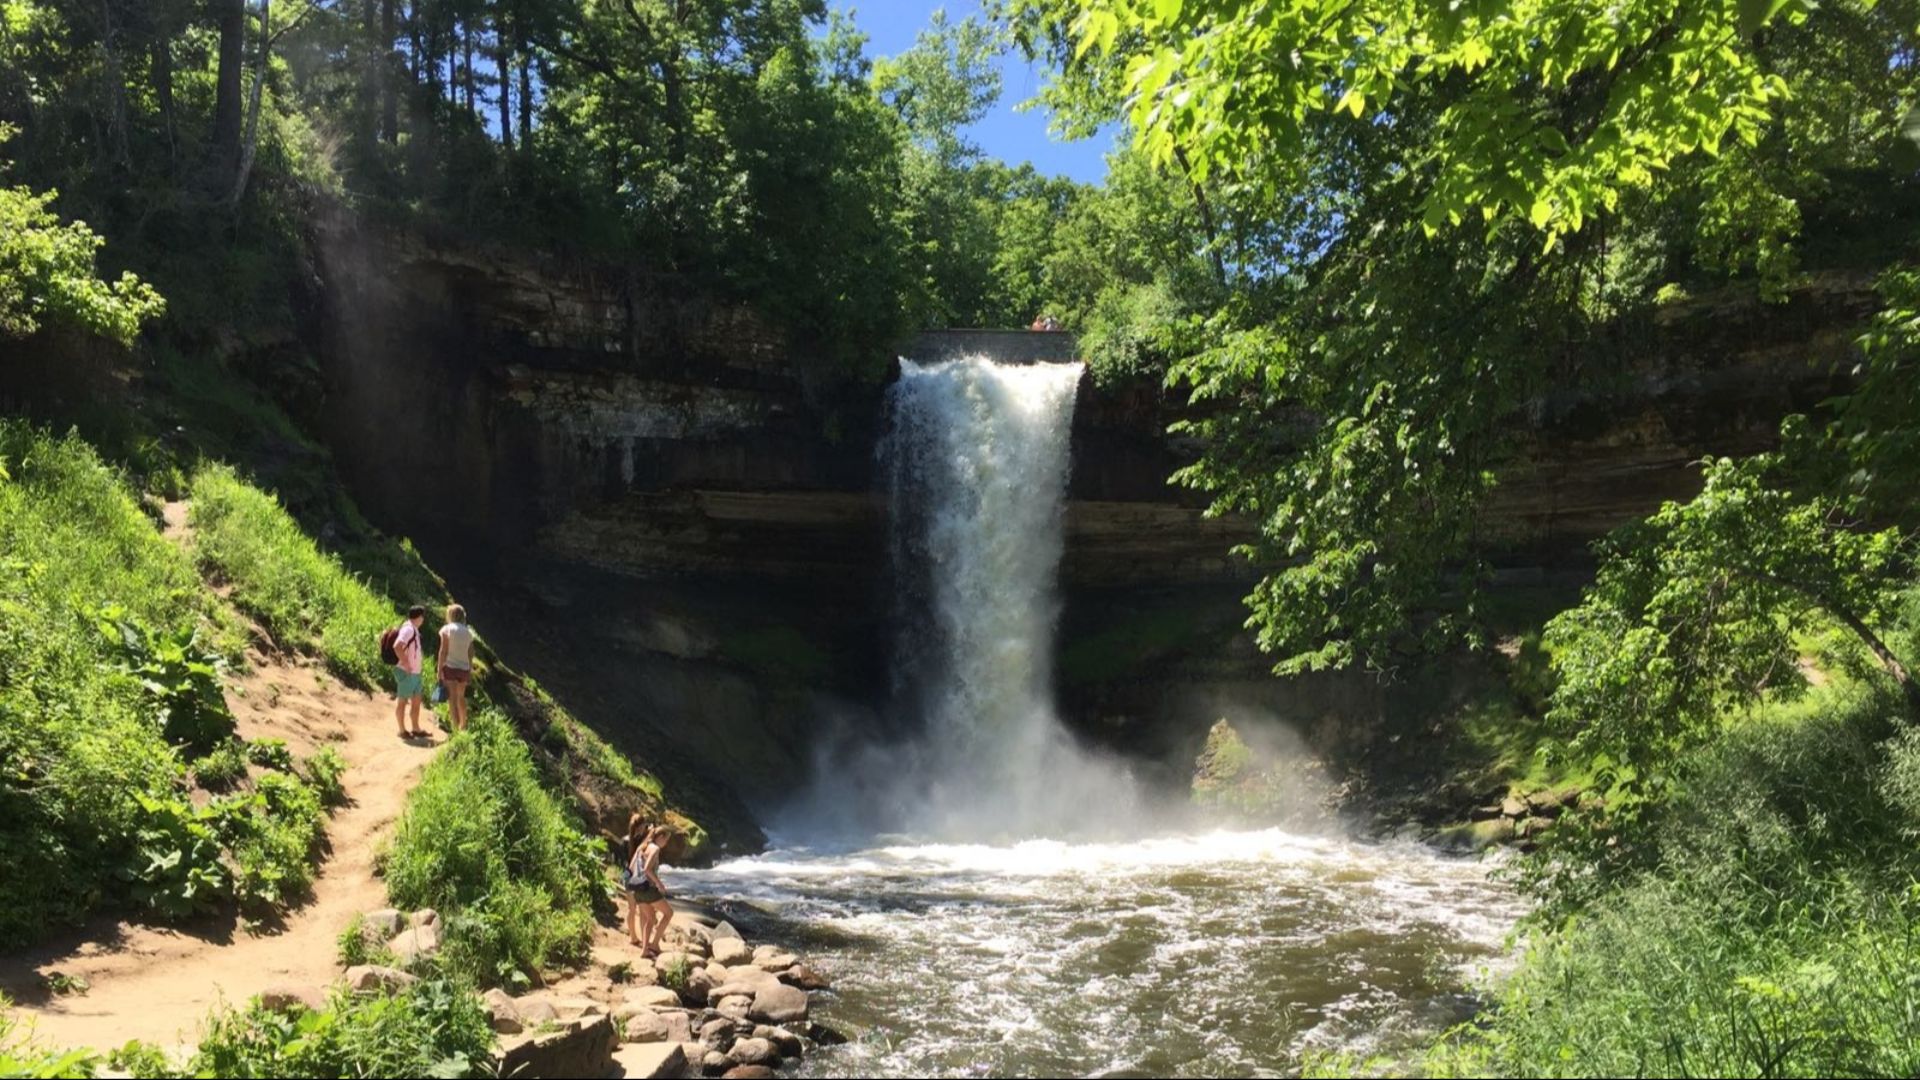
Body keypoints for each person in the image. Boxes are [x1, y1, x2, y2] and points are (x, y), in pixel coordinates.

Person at [619, 815, 658, 950]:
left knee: (631, 909)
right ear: (640, 826)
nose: (645, 827)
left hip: (626, 875)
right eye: (644, 825)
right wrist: (651, 833)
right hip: (637, 877)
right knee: (642, 910)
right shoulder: (640, 840)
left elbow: (622, 861)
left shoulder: (624, 840)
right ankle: (643, 942)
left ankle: (633, 937)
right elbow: (642, 849)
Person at [636, 826, 675, 957]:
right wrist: (659, 884)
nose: (666, 843)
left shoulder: (644, 846)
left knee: (651, 918)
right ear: (660, 837)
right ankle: (655, 944)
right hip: (648, 889)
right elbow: (647, 869)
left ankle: (645, 950)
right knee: (669, 913)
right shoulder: (655, 848)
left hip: (638, 889)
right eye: (666, 839)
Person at [393, 604, 429, 739]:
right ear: (419, 617)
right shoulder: (408, 629)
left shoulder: (413, 629)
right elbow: (397, 646)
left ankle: (415, 728)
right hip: (407, 672)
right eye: (423, 617)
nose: (423, 620)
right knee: (402, 701)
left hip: (415, 673)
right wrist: (406, 664)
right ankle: (402, 731)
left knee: (417, 700)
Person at [437, 604, 474, 732]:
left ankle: (455, 729)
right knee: (460, 697)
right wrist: (469, 670)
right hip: (464, 668)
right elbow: (471, 653)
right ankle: (463, 726)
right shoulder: (468, 632)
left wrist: (439, 669)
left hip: (450, 667)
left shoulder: (447, 629)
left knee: (452, 698)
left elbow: (443, 651)